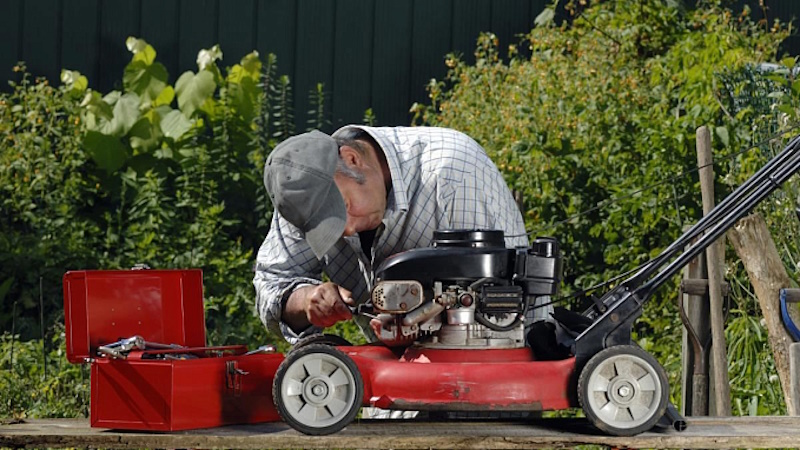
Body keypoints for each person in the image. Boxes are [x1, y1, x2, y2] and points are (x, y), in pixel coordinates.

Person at [253, 126, 551, 344]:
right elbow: (272, 283)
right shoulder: (302, 195)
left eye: (342, 208)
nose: (345, 231)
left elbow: (504, 312)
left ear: (352, 159)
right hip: (392, 397)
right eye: (323, 227)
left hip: (487, 391)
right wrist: (305, 300)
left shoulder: (453, 175)